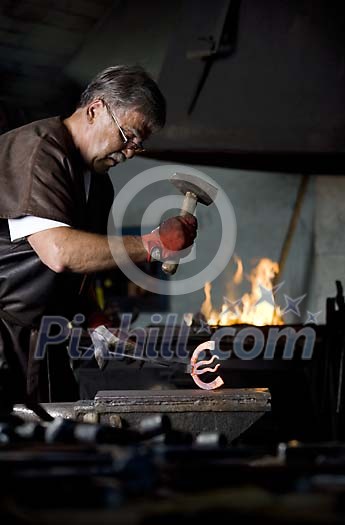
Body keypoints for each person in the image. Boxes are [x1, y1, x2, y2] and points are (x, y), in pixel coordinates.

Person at [0, 65, 197, 407]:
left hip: (45, 343)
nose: (131, 151)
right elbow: (59, 252)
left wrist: (93, 317)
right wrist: (153, 244)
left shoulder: (98, 183)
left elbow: (79, 265)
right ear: (95, 110)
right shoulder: (38, 152)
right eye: (127, 136)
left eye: (139, 145)